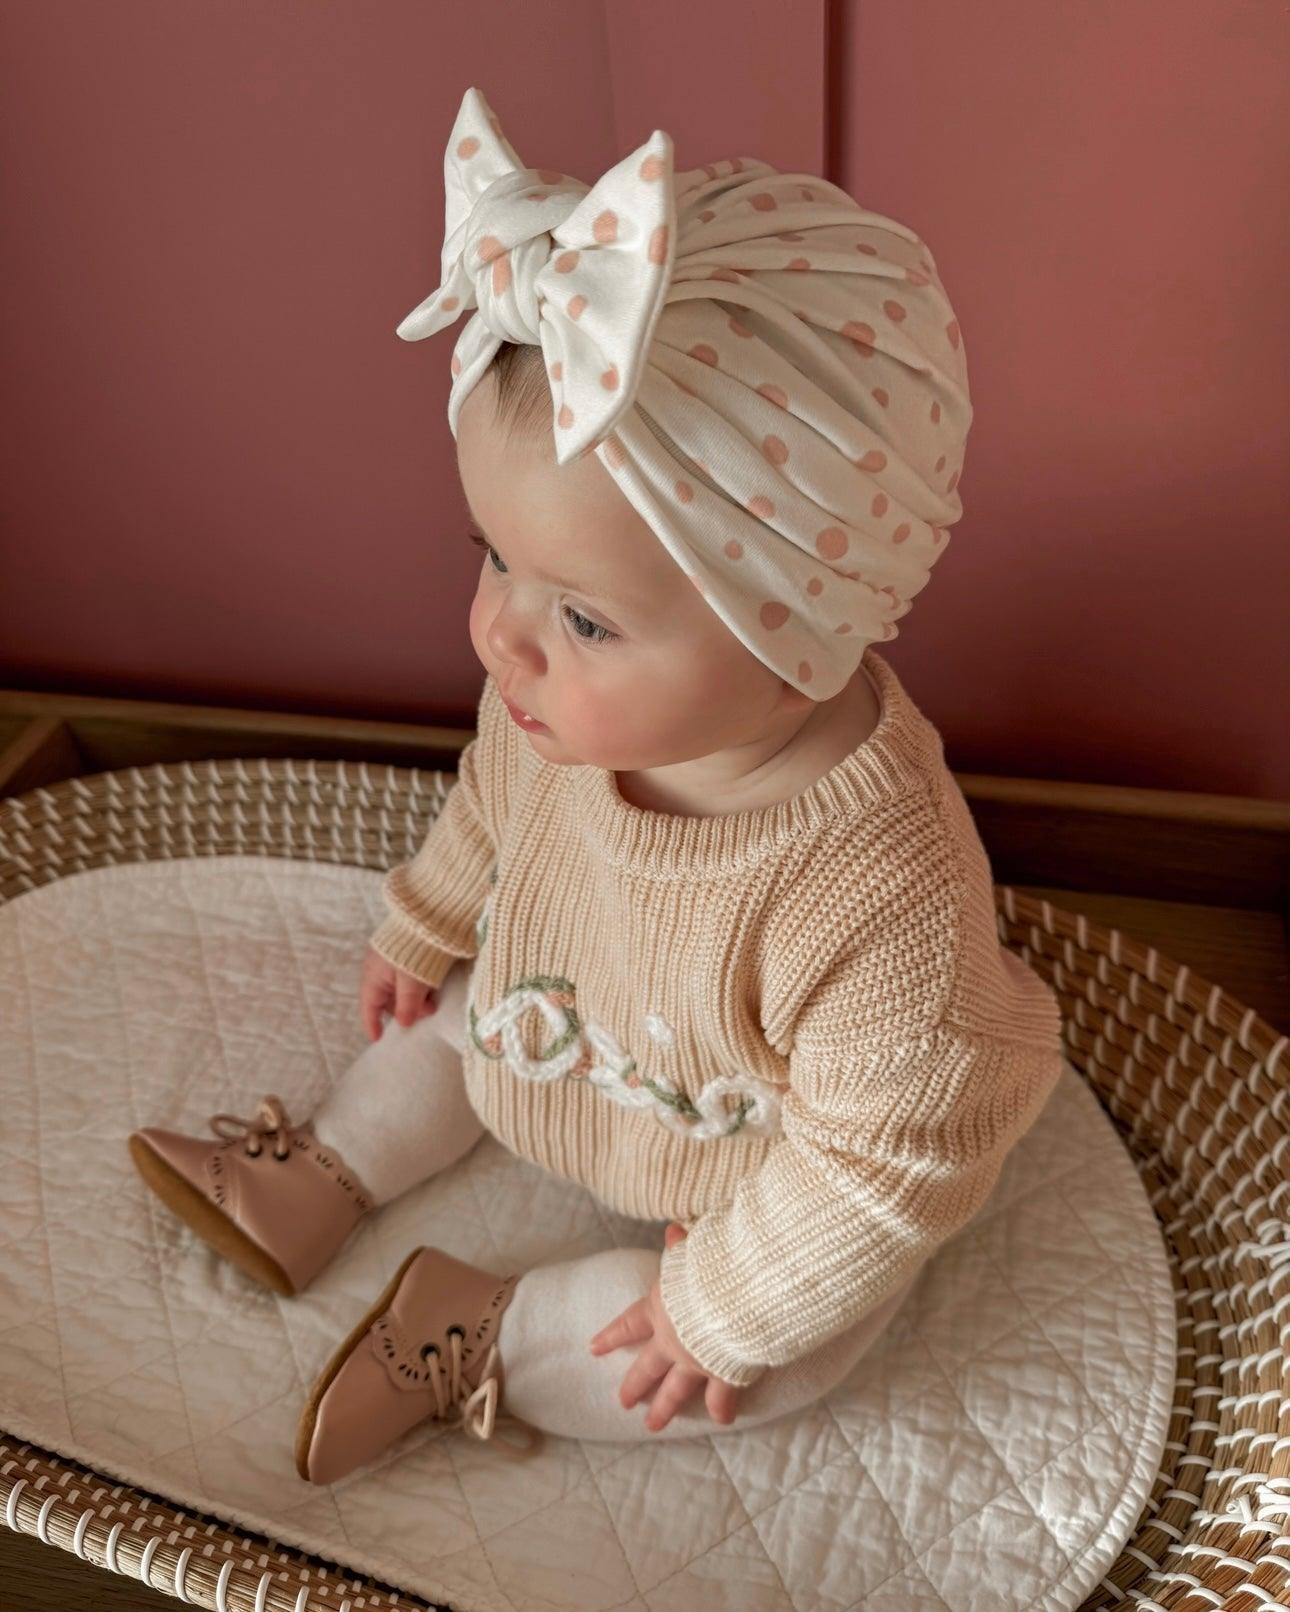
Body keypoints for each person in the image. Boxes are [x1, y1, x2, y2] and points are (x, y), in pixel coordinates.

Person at [127, 84, 1067, 1486]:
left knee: (783, 1351)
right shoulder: (557, 703)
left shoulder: (884, 901)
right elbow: (493, 804)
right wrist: (429, 919)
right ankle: (323, 1170)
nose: (501, 636)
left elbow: (886, 1162)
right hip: (560, 1015)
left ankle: (485, 1335)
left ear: (801, 640)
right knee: (450, 1016)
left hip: (748, 1159)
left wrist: (726, 1306)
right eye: (492, 557)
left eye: (580, 615)